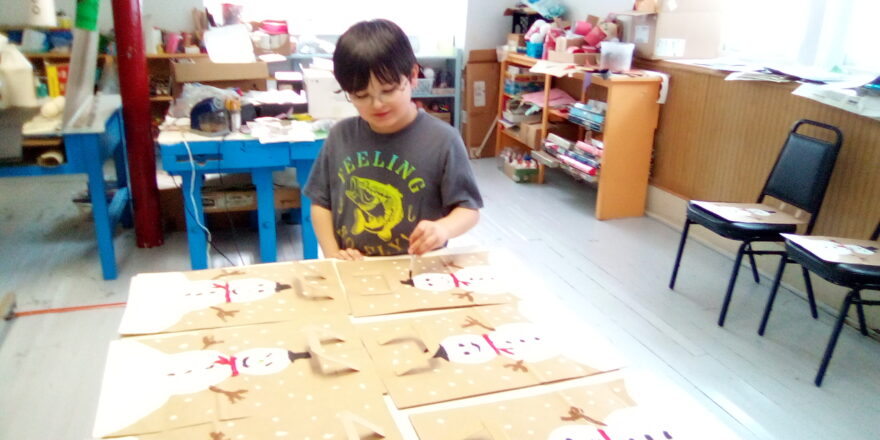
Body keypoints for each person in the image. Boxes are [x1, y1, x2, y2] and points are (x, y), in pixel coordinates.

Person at [303, 19, 483, 261]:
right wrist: (332, 254)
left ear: (413, 76)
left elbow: (468, 209)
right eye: (361, 95)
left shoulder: (443, 140)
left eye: (388, 90)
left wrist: (443, 229)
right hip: (355, 269)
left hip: (419, 268)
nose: (377, 104)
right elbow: (321, 203)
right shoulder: (340, 137)